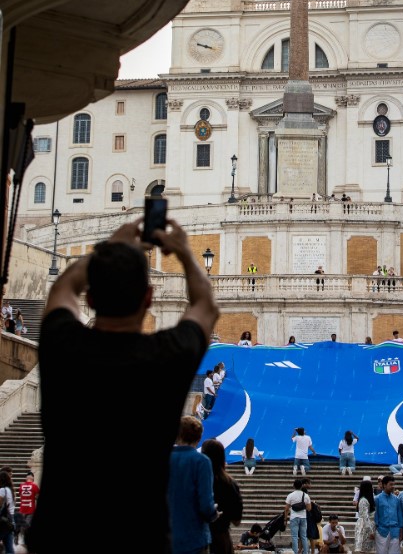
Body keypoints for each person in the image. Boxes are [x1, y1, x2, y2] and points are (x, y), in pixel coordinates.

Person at [26, 217, 218, 554]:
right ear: (149, 297)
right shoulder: (167, 357)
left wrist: (109, 247)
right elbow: (206, 306)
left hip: (59, 537)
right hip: (140, 538)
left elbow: (61, 289)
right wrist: (186, 254)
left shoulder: (64, 346)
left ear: (92, 298)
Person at [168, 416, 218, 554]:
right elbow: (206, 505)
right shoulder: (201, 462)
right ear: (199, 437)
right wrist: (214, 512)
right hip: (194, 538)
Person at [202, 438, 243, 554]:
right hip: (221, 539)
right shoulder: (229, 484)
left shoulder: (196, 481)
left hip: (198, 537)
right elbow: (237, 520)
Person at [374, 475, 403, 554]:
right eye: (391, 484)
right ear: (384, 485)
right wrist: (376, 528)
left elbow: (399, 515)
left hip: (395, 531)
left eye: (393, 484)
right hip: (381, 531)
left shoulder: (397, 499)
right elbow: (375, 515)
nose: (393, 486)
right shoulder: (377, 499)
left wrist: (401, 531)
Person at [284, 478, 311, 554]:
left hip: (294, 517)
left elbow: (286, 509)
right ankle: (305, 552)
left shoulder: (290, 495)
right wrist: (302, 506)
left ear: (294, 486)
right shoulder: (305, 495)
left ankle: (295, 552)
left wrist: (285, 519)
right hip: (303, 517)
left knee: (295, 537)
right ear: (302, 486)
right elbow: (309, 508)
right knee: (303, 536)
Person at [353, 478, 375, 553]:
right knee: (363, 549)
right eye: (371, 487)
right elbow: (365, 517)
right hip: (364, 528)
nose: (373, 488)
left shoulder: (369, 499)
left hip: (369, 526)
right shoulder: (363, 501)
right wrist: (370, 531)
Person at [18, 471, 40, 544]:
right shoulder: (35, 486)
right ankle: (24, 538)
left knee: (22, 523)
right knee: (27, 523)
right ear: (33, 479)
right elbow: (37, 496)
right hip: (31, 508)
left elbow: (20, 494)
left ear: (26, 479)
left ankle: (21, 537)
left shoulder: (21, 485)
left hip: (22, 507)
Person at [0, 469, 15, 554]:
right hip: (10, 520)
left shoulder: (2, 490)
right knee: (9, 548)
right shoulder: (10, 490)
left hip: (3, 521)